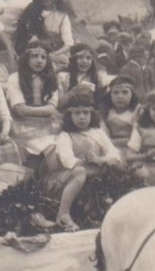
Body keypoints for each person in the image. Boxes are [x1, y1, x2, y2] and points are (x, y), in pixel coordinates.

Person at [40, 89, 123, 231]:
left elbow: (114, 153)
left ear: (92, 114)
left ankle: (106, 213)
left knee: (116, 167)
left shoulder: (97, 132)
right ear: (69, 115)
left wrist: (100, 160)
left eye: (86, 113)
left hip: (95, 174)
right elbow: (67, 161)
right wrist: (90, 162)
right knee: (79, 171)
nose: (82, 117)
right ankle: (63, 214)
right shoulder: (66, 135)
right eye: (77, 113)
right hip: (66, 179)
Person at [5, 39, 61, 160]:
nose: (39, 60)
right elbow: (19, 110)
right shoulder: (15, 78)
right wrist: (45, 111)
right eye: (34, 56)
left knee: (57, 148)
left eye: (43, 57)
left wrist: (44, 111)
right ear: (26, 58)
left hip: (49, 124)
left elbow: (51, 108)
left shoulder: (52, 79)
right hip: (22, 125)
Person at [14, 0, 74, 69]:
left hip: (57, 54)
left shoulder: (62, 15)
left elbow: (68, 43)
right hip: (34, 56)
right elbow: (22, 40)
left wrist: (53, 55)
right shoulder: (30, 11)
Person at [57, 43, 109, 108]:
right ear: (73, 59)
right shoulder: (63, 76)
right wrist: (74, 91)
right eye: (80, 57)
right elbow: (58, 104)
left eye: (88, 58)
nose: (85, 61)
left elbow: (104, 103)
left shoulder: (98, 77)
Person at [100, 75, 140, 155]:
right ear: (110, 95)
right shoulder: (106, 111)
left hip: (132, 148)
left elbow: (137, 134)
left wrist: (131, 149)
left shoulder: (137, 110)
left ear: (132, 94)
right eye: (115, 93)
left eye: (125, 92)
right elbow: (103, 135)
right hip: (110, 147)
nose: (120, 96)